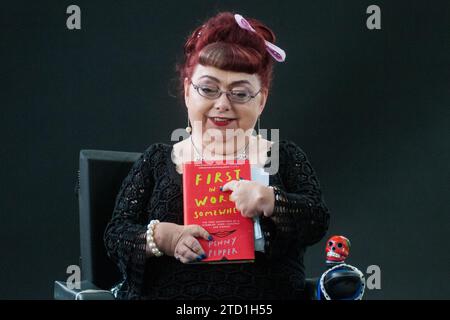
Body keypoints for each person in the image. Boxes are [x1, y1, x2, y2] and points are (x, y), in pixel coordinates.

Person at [104, 11, 330, 300]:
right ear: (187, 91)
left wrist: (271, 201)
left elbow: (316, 221)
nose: (222, 104)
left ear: (261, 100)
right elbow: (116, 235)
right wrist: (164, 238)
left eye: (240, 93)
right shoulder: (157, 160)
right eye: (208, 89)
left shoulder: (283, 156)